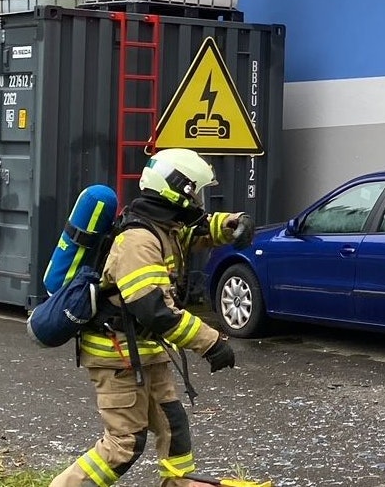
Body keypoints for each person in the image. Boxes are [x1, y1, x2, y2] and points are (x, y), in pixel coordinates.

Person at [49, 148, 254, 487]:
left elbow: (194, 232)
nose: (199, 202)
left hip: (144, 352)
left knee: (173, 425)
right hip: (117, 356)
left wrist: (231, 225)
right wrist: (211, 343)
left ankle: (178, 484)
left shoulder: (163, 227)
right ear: (179, 192)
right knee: (123, 446)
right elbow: (155, 311)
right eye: (196, 193)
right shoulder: (138, 241)